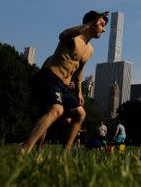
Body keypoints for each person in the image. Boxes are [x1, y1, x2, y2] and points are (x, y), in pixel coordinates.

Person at [21, 11, 109, 154]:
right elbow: (62, 35)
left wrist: (79, 91)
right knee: (57, 110)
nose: (104, 29)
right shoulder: (73, 38)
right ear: (93, 24)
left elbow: (79, 70)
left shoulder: (90, 50)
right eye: (102, 25)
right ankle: (24, 150)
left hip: (64, 87)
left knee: (81, 114)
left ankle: (64, 154)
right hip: (49, 77)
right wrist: (87, 24)